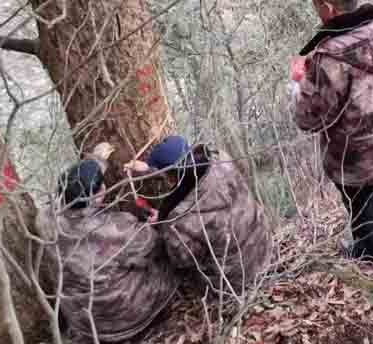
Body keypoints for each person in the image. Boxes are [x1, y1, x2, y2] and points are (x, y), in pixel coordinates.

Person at [293, 0, 373, 260]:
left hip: (354, 154)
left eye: (315, 2)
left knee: (360, 199)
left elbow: (309, 119)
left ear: (326, 5)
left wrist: (299, 85)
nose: (315, 9)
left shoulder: (329, 56)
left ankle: (369, 251)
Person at [36, 158, 178, 342]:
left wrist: (95, 159)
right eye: (101, 184)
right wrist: (155, 221)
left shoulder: (45, 220)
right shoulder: (117, 227)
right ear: (96, 195)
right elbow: (156, 245)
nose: (105, 185)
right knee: (171, 261)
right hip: (123, 320)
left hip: (85, 322)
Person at [130, 135, 269, 298]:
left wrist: (163, 225)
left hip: (239, 281)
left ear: (171, 175)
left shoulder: (180, 221)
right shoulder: (220, 159)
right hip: (264, 247)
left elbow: (180, 261)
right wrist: (149, 167)